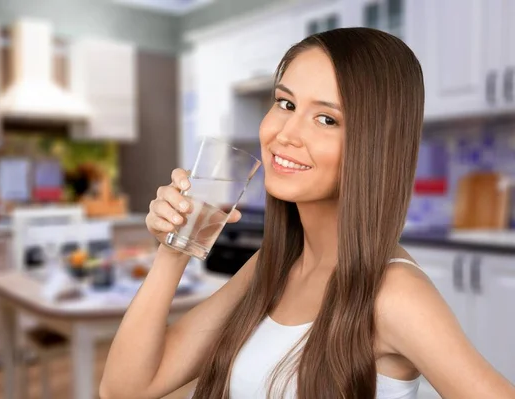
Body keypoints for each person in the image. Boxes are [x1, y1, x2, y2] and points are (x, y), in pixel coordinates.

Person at [99, 27, 515, 399]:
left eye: (326, 119)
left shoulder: (393, 294)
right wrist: (174, 249)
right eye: (285, 103)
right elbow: (126, 388)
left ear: (376, 145)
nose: (286, 134)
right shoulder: (274, 267)